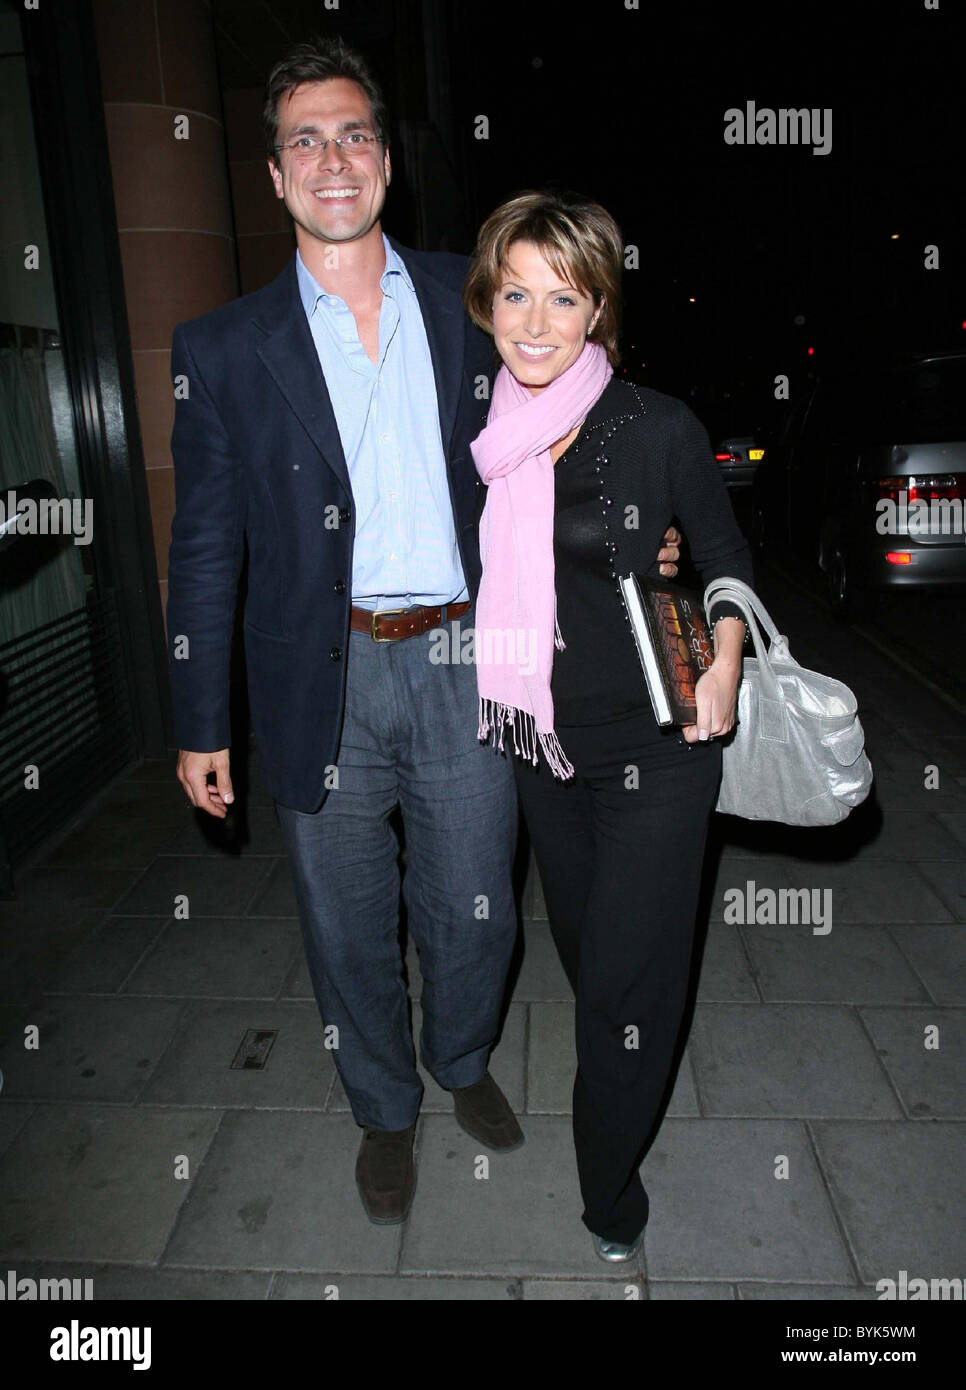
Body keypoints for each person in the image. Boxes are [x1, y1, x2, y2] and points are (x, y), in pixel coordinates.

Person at [165, 38, 685, 1227]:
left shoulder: (472, 301)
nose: (331, 159)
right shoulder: (222, 348)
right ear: (273, 173)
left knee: (473, 901)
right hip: (320, 674)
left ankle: (459, 1059)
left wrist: (650, 535)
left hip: (469, 657)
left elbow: (577, 417)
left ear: (387, 163)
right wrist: (201, 722)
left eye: (353, 135)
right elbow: (203, 544)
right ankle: (383, 1107)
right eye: (304, 139)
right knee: (345, 916)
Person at [462, 190, 754, 1261]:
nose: (535, 323)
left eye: (563, 298)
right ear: (489, 301)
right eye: (516, 294)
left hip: (660, 741)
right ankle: (631, 1037)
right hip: (546, 741)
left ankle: (607, 1190)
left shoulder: (655, 424)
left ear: (597, 311)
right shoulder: (490, 430)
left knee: (625, 984)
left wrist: (723, 655)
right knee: (591, 952)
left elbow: (722, 554)